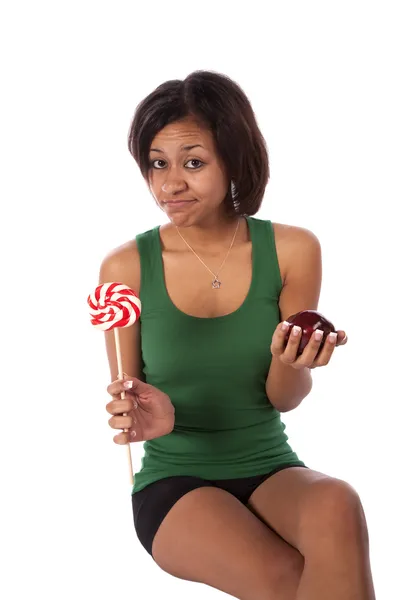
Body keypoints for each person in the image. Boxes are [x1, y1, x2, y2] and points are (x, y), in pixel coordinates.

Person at [99, 71, 375, 599]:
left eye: (193, 162)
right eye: (157, 163)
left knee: (338, 500)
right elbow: (128, 398)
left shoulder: (294, 250)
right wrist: (143, 414)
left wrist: (291, 361)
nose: (170, 184)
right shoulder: (126, 267)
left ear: (235, 158)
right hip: (175, 482)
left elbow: (284, 400)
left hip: (271, 466)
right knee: (289, 580)